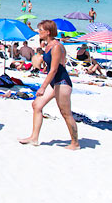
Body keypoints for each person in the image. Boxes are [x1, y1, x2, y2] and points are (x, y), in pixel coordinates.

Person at [19, 20, 79, 150]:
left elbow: (54, 70)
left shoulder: (56, 46)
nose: (38, 32)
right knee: (36, 105)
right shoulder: (48, 46)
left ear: (48, 32)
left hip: (62, 82)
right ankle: (34, 138)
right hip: (54, 82)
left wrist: (43, 87)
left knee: (65, 113)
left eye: (40, 30)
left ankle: (75, 143)